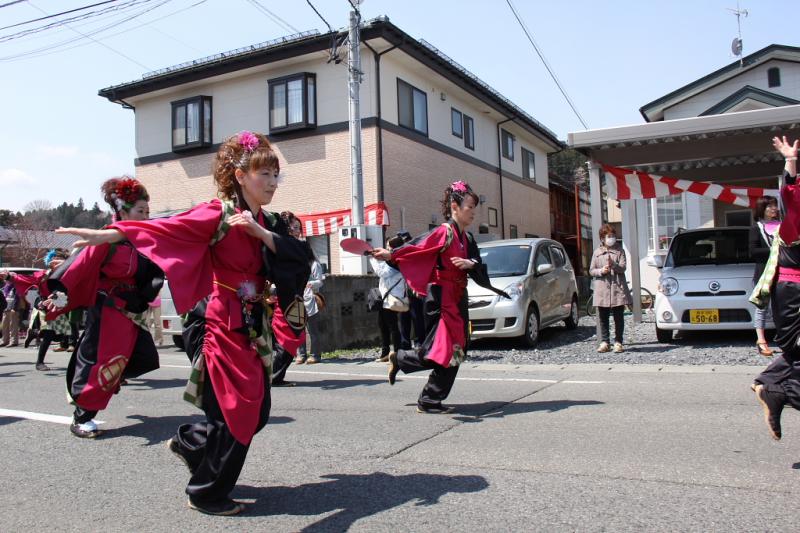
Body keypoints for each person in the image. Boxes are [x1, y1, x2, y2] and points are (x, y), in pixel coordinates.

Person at [57, 132, 309, 516]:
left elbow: (300, 259)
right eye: (264, 174)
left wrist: (261, 234)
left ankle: (191, 443)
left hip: (253, 325)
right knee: (235, 411)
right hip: (223, 322)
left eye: (277, 175)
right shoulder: (217, 213)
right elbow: (165, 229)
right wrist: (110, 234)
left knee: (255, 414)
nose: (273, 183)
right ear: (240, 175)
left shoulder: (269, 221)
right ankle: (206, 493)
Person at [371, 181, 508, 414]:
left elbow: (477, 263)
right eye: (470, 206)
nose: (473, 212)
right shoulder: (443, 232)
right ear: (454, 206)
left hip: (458, 295)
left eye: (475, 207)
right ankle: (428, 398)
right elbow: (417, 248)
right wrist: (391, 254)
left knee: (457, 348)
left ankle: (405, 362)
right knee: (448, 349)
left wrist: (470, 263)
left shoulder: (468, 239)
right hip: (441, 297)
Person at [43, 177, 164, 438]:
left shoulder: (140, 239)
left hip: (132, 310)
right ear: (122, 211)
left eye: (147, 211)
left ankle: (104, 385)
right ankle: (82, 415)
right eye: (139, 211)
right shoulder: (106, 239)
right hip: (108, 310)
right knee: (101, 361)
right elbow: (77, 268)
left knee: (142, 358)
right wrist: (59, 296)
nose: (145, 216)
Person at [750, 136, 800, 441]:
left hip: (788, 292)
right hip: (792, 293)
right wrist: (790, 160)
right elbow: (790, 192)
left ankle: (771, 386)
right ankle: (776, 391)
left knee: (796, 355)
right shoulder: (794, 219)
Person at [4, 249, 72, 370]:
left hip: (58, 305)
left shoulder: (67, 275)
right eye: (54, 260)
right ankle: (39, 362)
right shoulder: (44, 274)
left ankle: (35, 333)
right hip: (43, 304)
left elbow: (64, 288)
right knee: (49, 334)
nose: (56, 263)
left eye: (59, 261)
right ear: (50, 262)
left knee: (60, 336)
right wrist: (10, 277)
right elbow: (28, 280)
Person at [285, 212, 325, 366]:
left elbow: (320, 281)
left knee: (313, 330)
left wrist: (312, 284)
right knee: (298, 329)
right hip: (297, 298)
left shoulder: (314, 264)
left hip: (310, 299)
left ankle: (315, 354)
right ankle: (300, 354)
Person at [589, 224, 632, 353]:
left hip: (617, 287)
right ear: (602, 238)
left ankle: (618, 342)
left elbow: (623, 267)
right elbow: (591, 270)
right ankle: (605, 342)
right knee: (603, 317)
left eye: (613, 236)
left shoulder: (620, 250)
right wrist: (601, 270)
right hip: (602, 289)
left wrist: (613, 265)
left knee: (619, 316)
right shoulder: (597, 252)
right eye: (609, 236)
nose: (611, 238)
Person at [750, 195, 780, 356]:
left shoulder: (782, 226)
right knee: (762, 307)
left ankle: (784, 338)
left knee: (782, 308)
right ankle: (761, 341)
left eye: (775, 205)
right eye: (770, 206)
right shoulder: (757, 228)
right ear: (762, 209)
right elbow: (753, 251)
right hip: (764, 274)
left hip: (782, 272)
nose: (774, 208)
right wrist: (775, 249)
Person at [370, 238, 407, 363]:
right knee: (383, 325)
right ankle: (385, 353)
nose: (387, 249)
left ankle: (396, 353)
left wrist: (373, 259)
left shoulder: (397, 261)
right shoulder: (390, 260)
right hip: (385, 298)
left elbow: (382, 272)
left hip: (392, 298)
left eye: (389, 247)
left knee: (392, 326)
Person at [1, 278, 19, 347]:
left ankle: (14, 341)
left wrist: (14, 308)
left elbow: (17, 298)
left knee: (13, 325)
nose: (5, 280)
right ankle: (4, 341)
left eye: (7, 279)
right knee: (4, 325)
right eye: (5, 280)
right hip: (6, 308)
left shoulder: (15, 287)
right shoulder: (5, 288)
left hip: (13, 308)